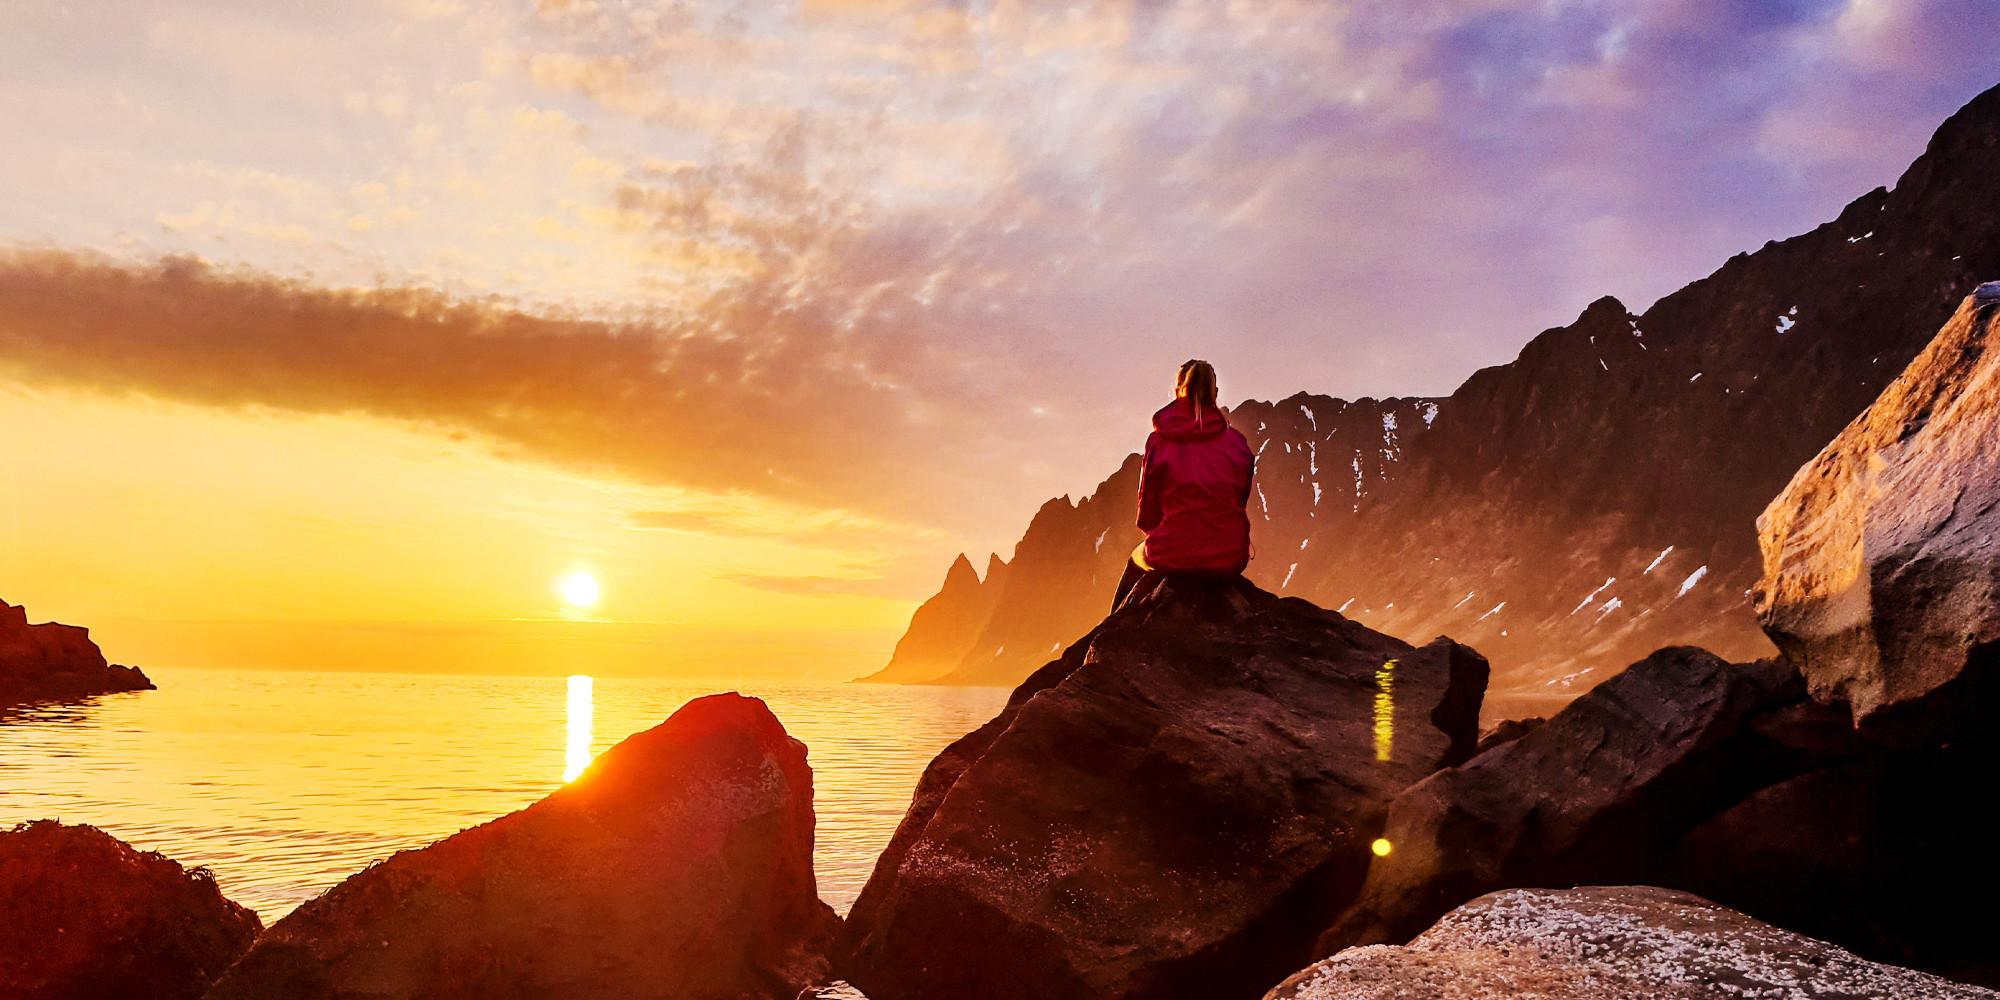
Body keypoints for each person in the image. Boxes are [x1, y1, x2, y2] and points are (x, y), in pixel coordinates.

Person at [1113, 359, 1256, 609]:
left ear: (1179, 389)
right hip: (1229, 555)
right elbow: (1239, 499)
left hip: (1172, 553)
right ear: (1215, 393)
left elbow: (1147, 515)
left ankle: (1111, 627)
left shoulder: (1159, 441)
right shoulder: (1238, 444)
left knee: (1134, 564)